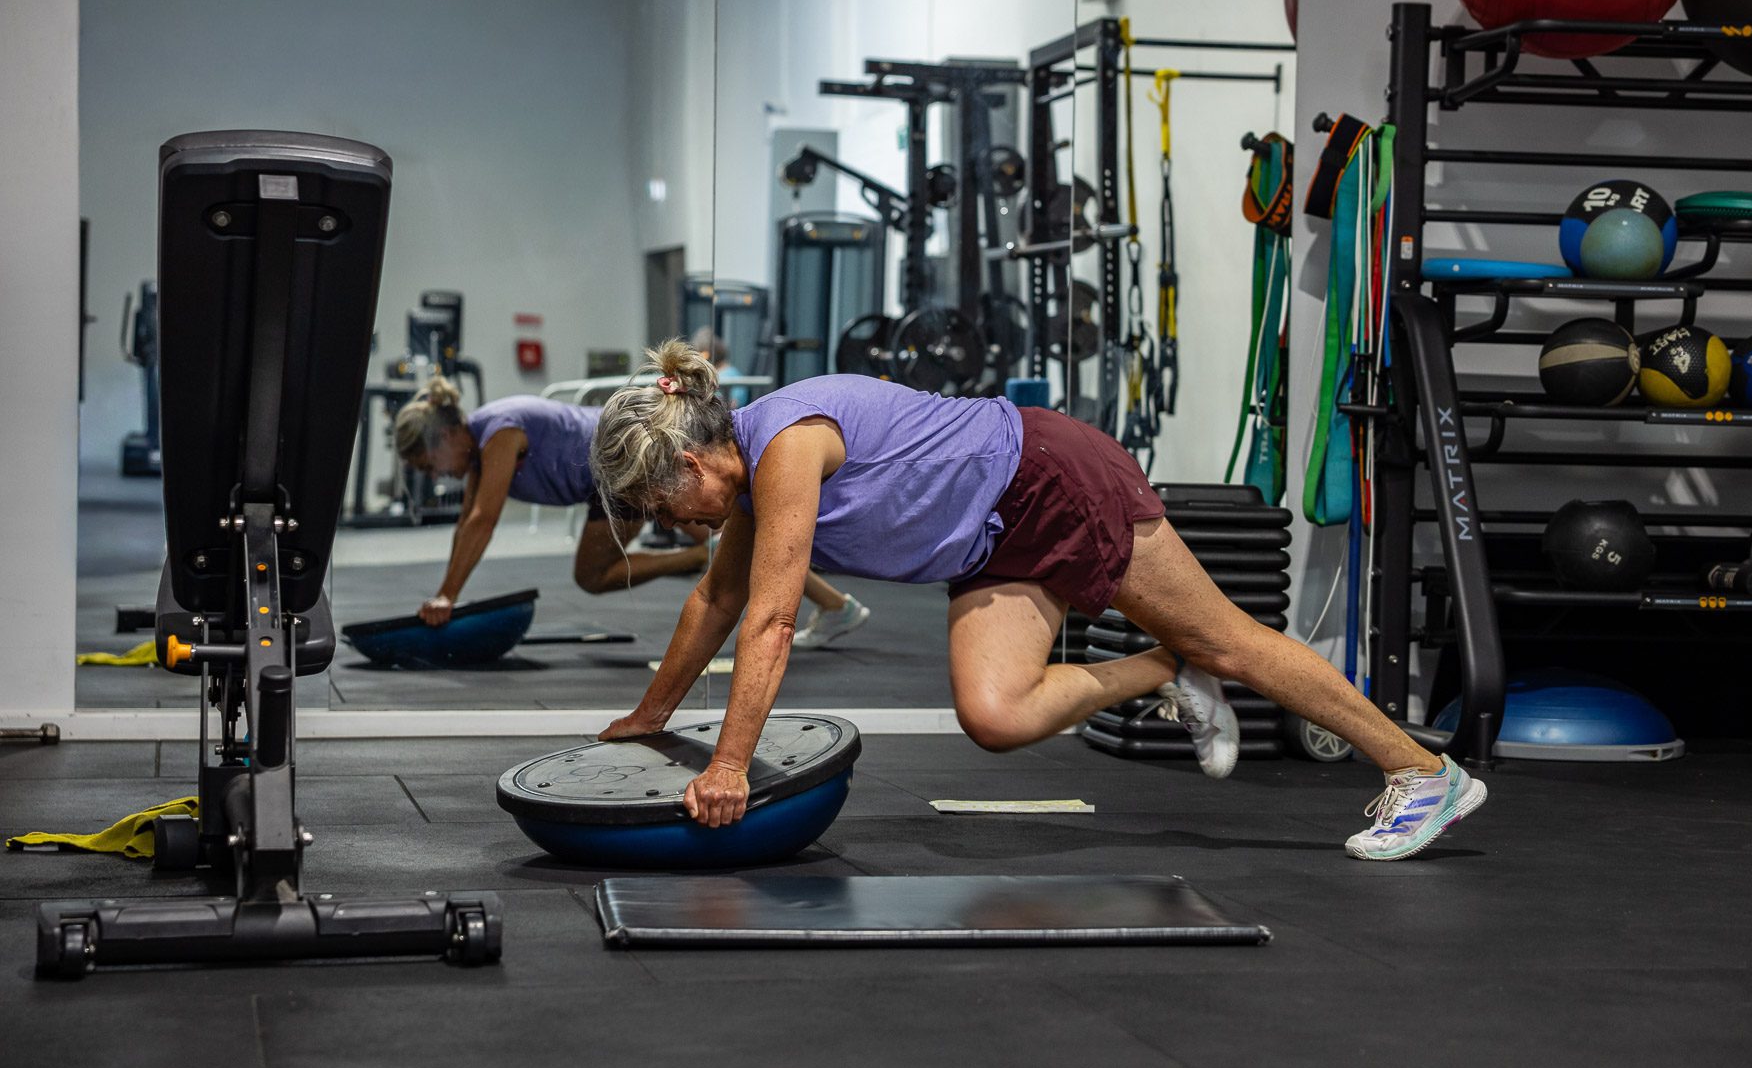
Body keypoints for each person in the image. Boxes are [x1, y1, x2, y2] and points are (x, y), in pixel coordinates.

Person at [589, 342, 1487, 861]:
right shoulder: (747, 482)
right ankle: (1159, 667)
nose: (676, 524)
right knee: (994, 712)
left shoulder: (785, 444)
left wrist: (731, 766)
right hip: (991, 539)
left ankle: (1423, 774)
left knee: (1233, 643)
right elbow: (715, 602)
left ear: (696, 463)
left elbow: (772, 621)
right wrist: (648, 715)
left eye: (667, 506)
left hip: (1048, 478)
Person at [393, 377, 866, 641]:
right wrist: (444, 592)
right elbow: (466, 524)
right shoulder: (479, 449)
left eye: (427, 463)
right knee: (740, 540)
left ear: (449, 436)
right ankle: (835, 605)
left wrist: (447, 598)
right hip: (605, 486)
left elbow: (483, 521)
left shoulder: (499, 432)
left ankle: (714, 560)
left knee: (596, 573)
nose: (435, 474)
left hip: (629, 473)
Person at [694, 330, 870, 648]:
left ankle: (838, 606)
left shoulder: (733, 386)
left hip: (770, 463)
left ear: (707, 354)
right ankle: (836, 605)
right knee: (754, 553)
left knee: (763, 554)